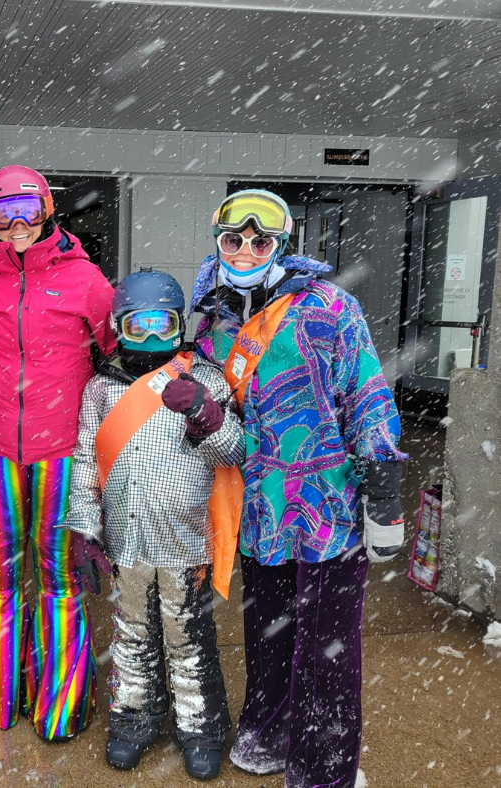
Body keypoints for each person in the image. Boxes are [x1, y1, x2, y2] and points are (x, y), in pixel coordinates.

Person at [190, 189, 407, 787]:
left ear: (281, 245)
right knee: (268, 634)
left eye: (260, 241)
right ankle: (267, 735)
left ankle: (326, 769)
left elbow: (366, 394)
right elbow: (227, 425)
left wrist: (383, 488)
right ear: (219, 243)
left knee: (329, 648)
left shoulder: (328, 308)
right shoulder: (213, 324)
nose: (245, 251)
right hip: (262, 509)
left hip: (327, 506)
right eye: (234, 240)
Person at [63, 268, 243, 778]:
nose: (148, 336)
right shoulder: (100, 389)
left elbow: (236, 451)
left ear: (178, 324)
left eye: (160, 323)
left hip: (185, 542)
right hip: (127, 539)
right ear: (119, 328)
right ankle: (135, 719)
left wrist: (205, 413)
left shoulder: (203, 378)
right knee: (132, 634)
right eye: (136, 326)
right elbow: (82, 460)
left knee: (187, 637)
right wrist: (85, 528)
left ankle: (200, 727)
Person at [0, 165, 115, 741]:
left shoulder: (86, 280)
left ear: (47, 210)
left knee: (58, 577)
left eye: (28, 209)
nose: (18, 223)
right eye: (4, 212)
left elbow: (115, 357)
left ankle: (62, 703)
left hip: (63, 452)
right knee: (0, 578)